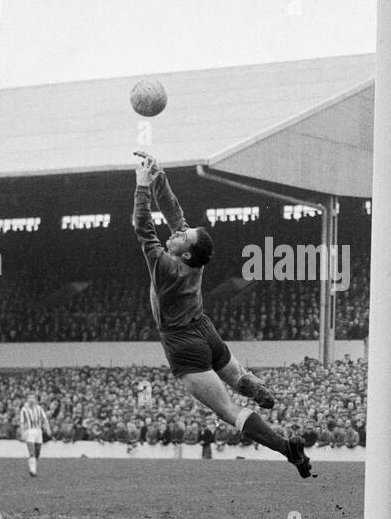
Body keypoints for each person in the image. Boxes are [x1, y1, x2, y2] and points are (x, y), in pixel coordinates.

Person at [131, 151, 312, 478]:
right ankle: (254, 387)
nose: (175, 233)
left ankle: (288, 449)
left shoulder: (164, 267)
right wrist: (160, 177)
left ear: (184, 251)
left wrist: (143, 185)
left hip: (183, 343)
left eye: (182, 236)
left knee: (229, 410)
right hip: (206, 331)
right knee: (236, 378)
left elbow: (143, 225)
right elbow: (174, 213)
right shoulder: (192, 260)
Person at [18, 392, 51, 477]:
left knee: (38, 452)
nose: (31, 399)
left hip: (38, 431)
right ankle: (33, 471)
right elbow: (22, 423)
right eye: (29, 398)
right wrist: (22, 433)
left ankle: (32, 463)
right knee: (32, 451)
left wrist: (48, 429)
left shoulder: (39, 408)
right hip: (29, 431)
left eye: (33, 398)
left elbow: (45, 419)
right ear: (27, 400)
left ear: (35, 400)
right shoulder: (24, 410)